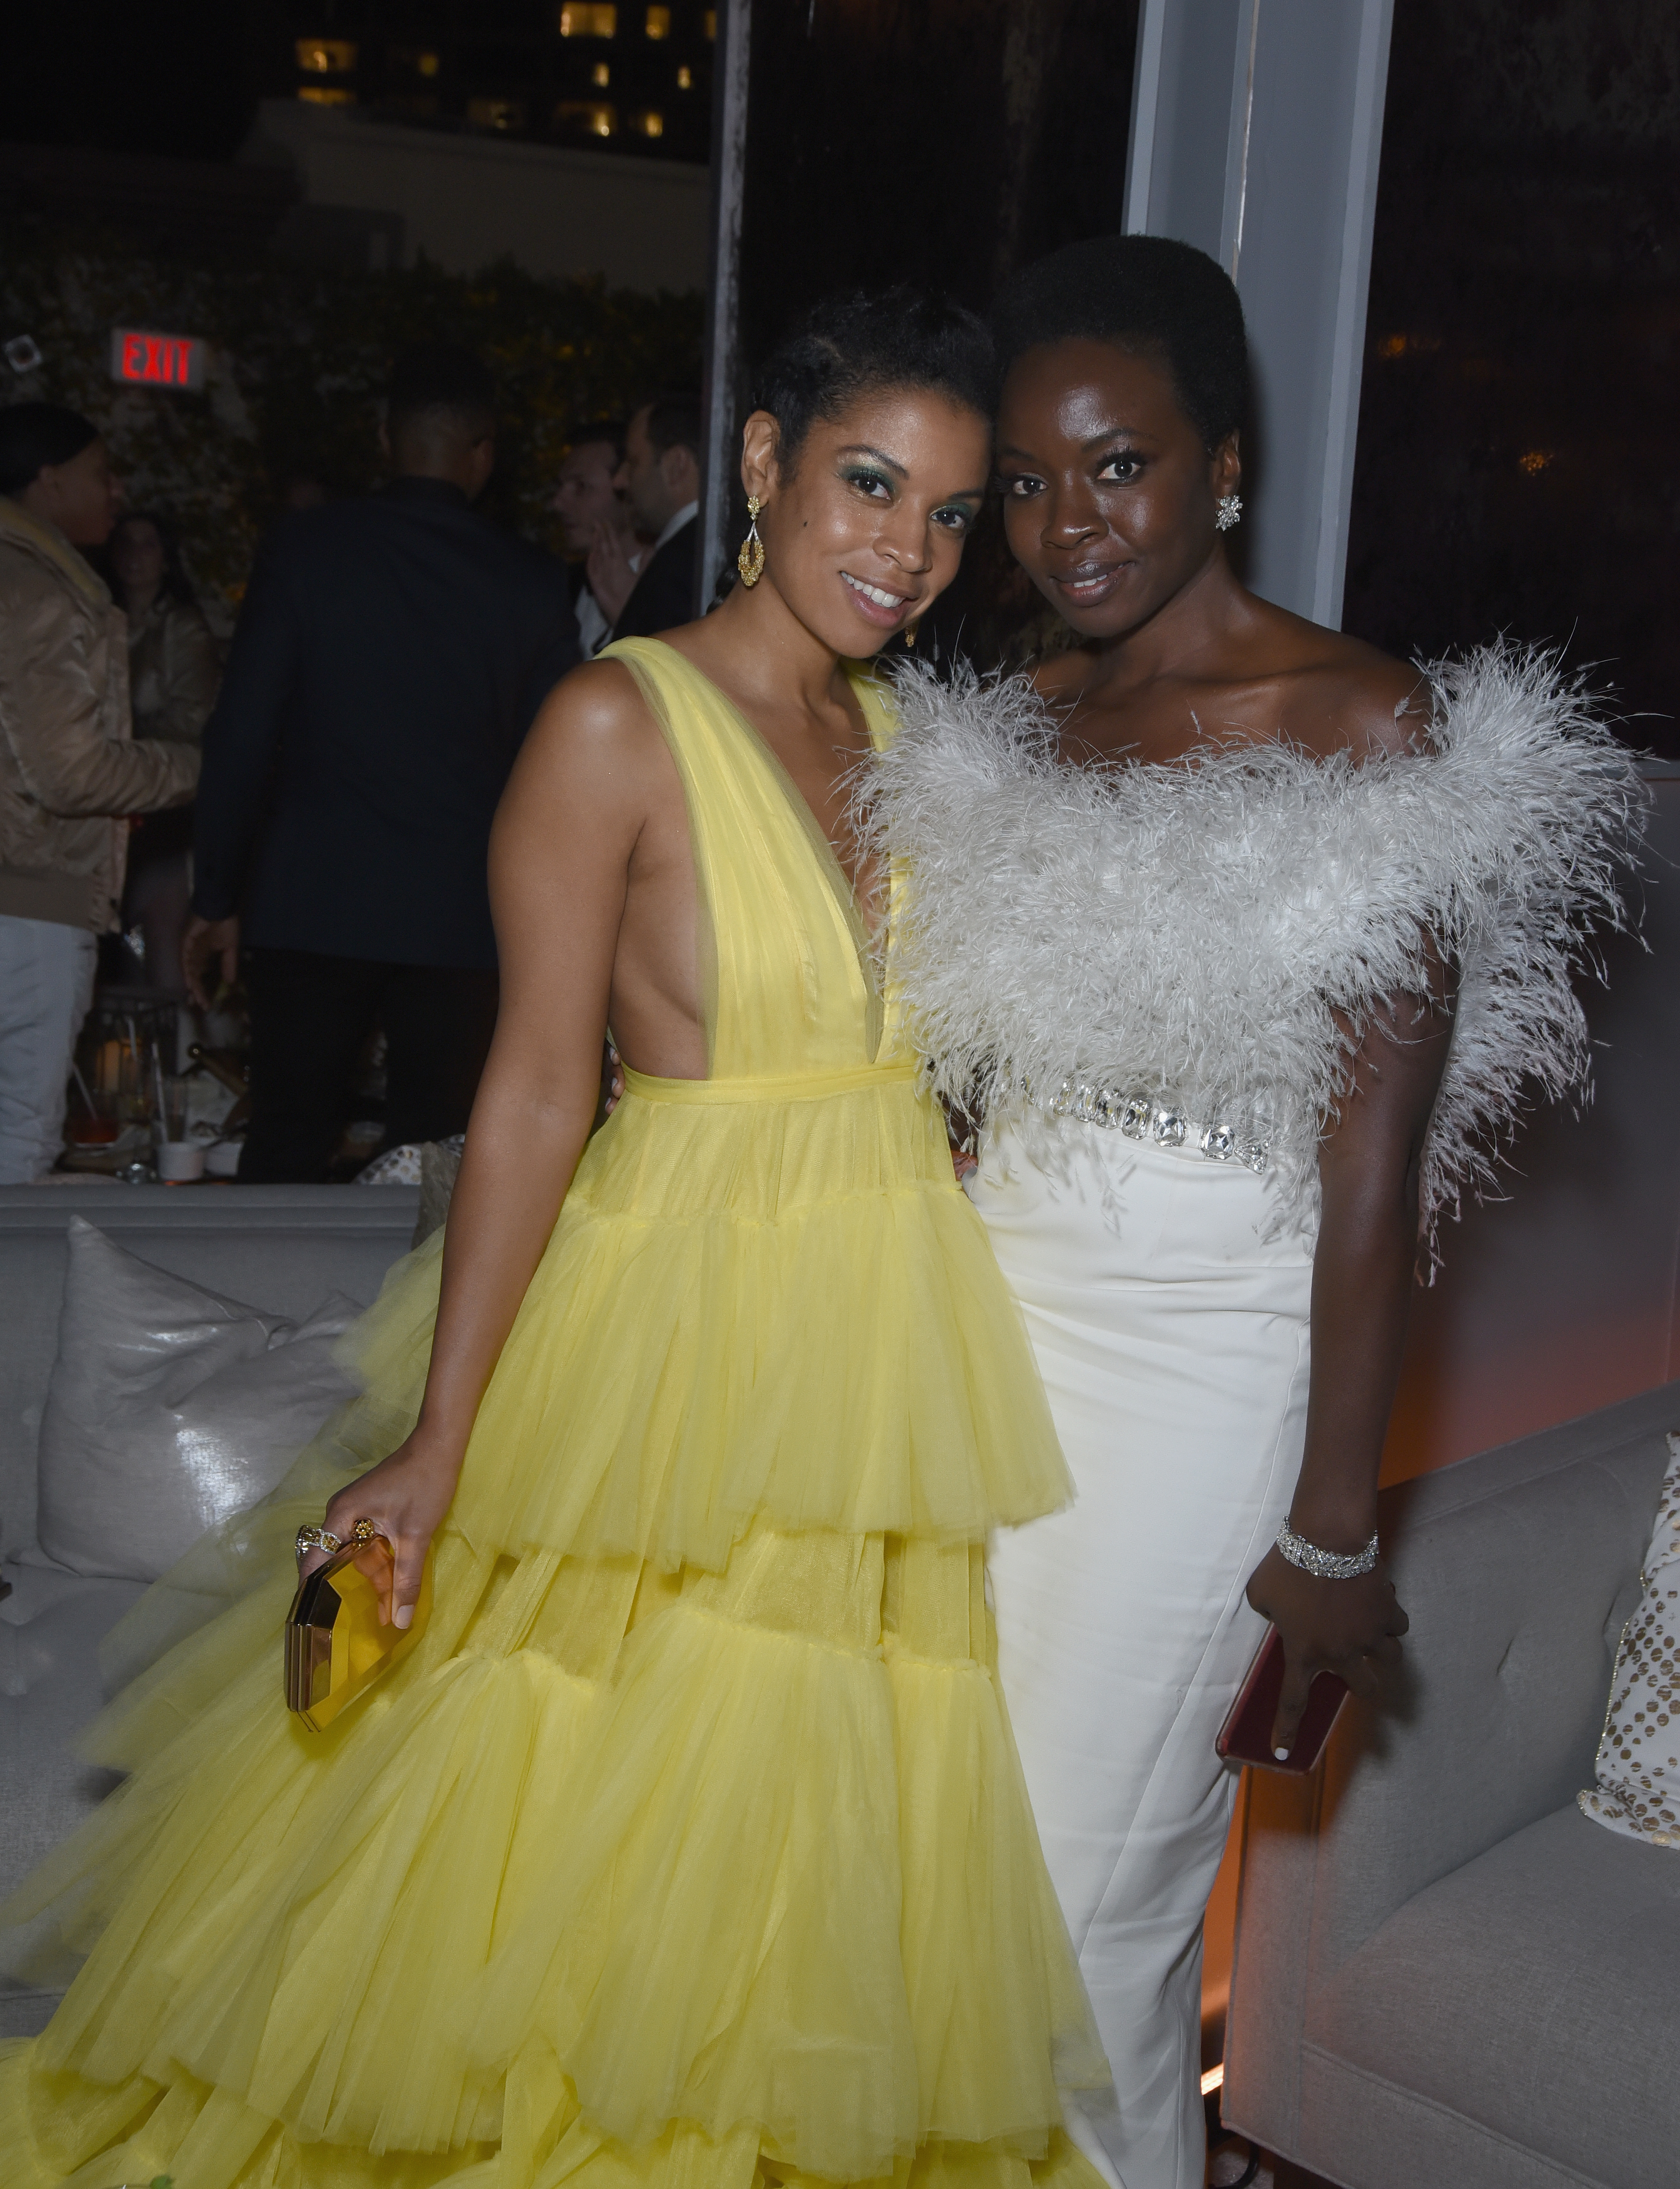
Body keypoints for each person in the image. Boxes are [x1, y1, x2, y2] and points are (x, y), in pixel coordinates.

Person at [0, 289, 1112, 2189]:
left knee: (820, 1788)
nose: (902, 551)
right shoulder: (614, 717)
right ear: (759, 463)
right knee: (608, 1792)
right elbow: (527, 1092)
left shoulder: (906, 733)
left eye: (942, 514)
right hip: (673, 1313)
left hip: (873, 1318)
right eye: (863, 483)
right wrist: (440, 1435)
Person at [866, 235, 1644, 2189]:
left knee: (1083, 1908)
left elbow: (1366, 1176)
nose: (1066, 524)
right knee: (938, 1871)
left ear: (1221, 461)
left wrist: (1328, 1519)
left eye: (1114, 465)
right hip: (985, 1337)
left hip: (1200, 1360)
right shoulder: (1011, 722)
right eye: (1025, 484)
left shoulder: (1360, 723)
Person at [182, 343, 581, 1182]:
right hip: (460, 912)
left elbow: (243, 731)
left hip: (313, 898)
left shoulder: (305, 551)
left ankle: (262, 1309)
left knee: (288, 1135)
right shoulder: (532, 583)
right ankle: (420, 1316)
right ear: (484, 453)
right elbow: (555, 768)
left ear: (383, 438)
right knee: (435, 1161)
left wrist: (216, 892)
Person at [0, 405, 199, 1182]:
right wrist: (197, 768)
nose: (115, 489)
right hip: (32, 891)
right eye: (99, 471)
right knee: (20, 1138)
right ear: (49, 481)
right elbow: (72, 774)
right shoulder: (42, 590)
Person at [107, 509, 222, 995]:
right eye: (127, 543)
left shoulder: (181, 626)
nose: (135, 555)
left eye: (149, 543)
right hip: (102, 808)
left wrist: (117, 745)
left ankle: (183, 1064)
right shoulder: (92, 618)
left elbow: (193, 717)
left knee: (164, 949)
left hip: (162, 811)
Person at [593, 390, 701, 641]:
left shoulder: (678, 569)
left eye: (633, 463)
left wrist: (632, 626)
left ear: (677, 466)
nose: (619, 481)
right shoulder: (706, 551)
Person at [550, 419, 641, 656]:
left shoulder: (675, 587)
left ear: (627, 485)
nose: (558, 503)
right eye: (560, 487)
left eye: (581, 486)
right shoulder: (561, 589)